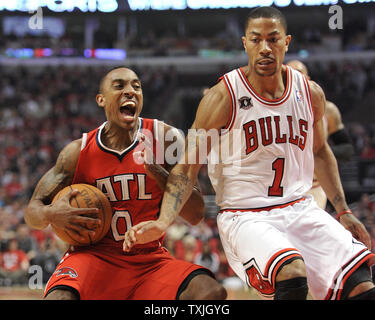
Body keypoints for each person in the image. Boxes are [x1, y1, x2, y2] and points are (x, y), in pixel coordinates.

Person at [123, 7, 375, 300]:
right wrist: (163, 222)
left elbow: (321, 151)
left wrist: (343, 211)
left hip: (300, 206)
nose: (265, 48)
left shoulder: (311, 93)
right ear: (245, 43)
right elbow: (186, 167)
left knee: (361, 283)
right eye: (256, 40)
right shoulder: (222, 97)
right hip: (245, 215)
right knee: (291, 273)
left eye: (273, 39)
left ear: (286, 42)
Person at [24, 66, 226, 300]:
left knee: (210, 293)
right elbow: (32, 212)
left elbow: (196, 214)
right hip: (92, 258)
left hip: (149, 261)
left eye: (136, 86)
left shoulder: (166, 139)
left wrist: (158, 172)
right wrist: (51, 214)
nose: (130, 91)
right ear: (101, 99)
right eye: (119, 86)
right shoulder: (77, 152)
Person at [286, 59, 354, 209]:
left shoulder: (328, 110)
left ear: (307, 80)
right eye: (288, 75)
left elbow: (347, 150)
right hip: (282, 188)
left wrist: (318, 152)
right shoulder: (270, 111)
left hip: (315, 186)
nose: (293, 78)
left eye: (298, 74)